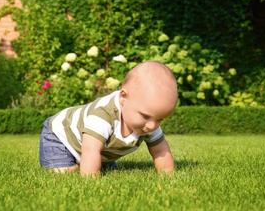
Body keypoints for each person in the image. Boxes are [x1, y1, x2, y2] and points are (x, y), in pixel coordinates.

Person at [39, 61, 178, 176]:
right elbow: (90, 149)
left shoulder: (148, 120)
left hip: (92, 148)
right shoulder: (103, 114)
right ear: (124, 97)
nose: (152, 126)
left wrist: (168, 175)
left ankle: (86, 163)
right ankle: (77, 166)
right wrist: (90, 179)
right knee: (60, 172)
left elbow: (160, 151)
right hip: (61, 136)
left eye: (160, 119)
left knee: (107, 169)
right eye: (145, 116)